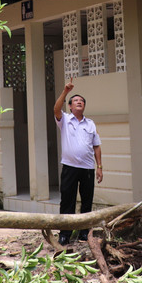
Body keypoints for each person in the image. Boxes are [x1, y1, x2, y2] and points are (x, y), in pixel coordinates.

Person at [53, 79, 103, 245]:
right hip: (70, 168)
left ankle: (84, 233)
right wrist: (65, 91)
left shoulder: (90, 123)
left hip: (88, 169)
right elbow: (55, 109)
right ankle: (65, 234)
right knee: (68, 201)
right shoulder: (65, 120)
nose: (79, 102)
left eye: (81, 101)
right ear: (70, 106)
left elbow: (96, 146)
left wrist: (100, 167)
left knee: (87, 202)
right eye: (75, 101)